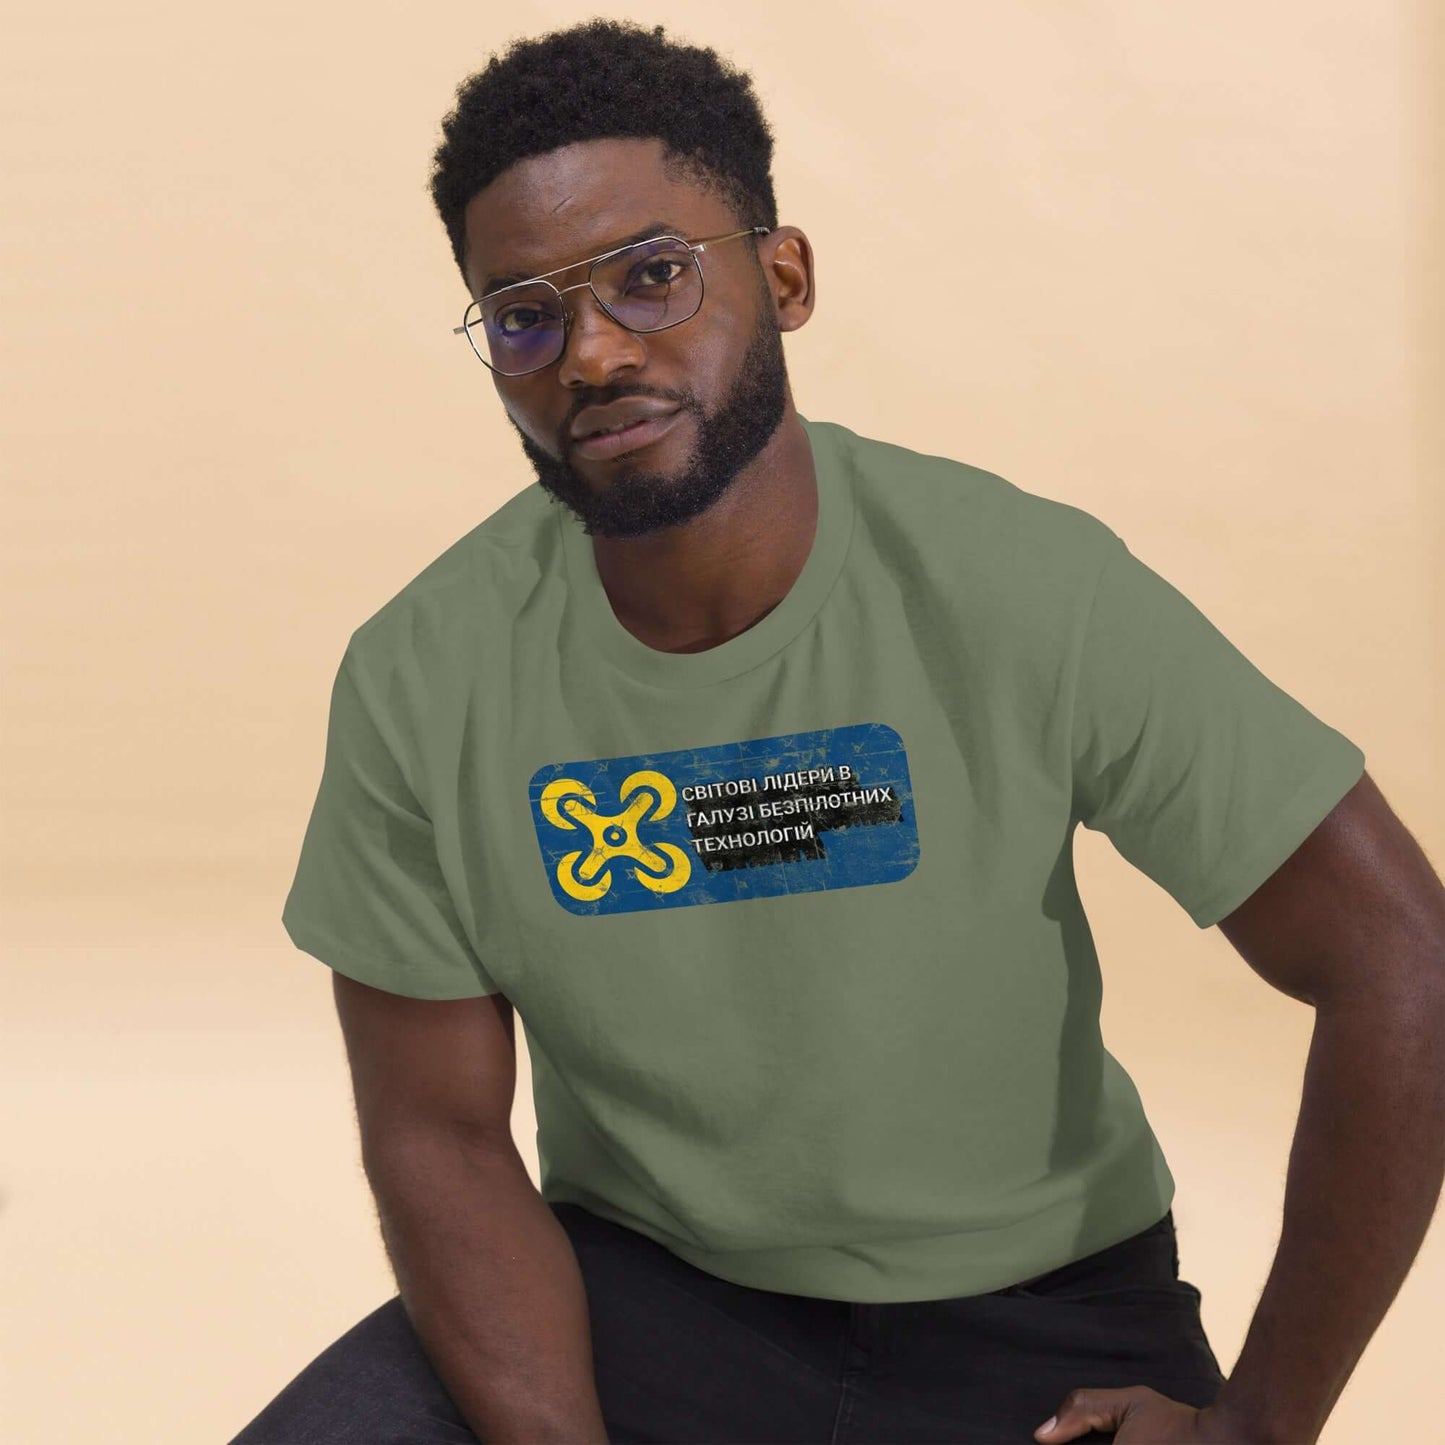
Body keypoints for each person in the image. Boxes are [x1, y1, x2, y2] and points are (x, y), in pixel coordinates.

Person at [230, 19, 1445, 1445]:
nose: (594, 352)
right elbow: (434, 1130)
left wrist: (1259, 1424)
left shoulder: (1020, 584)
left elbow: (1398, 958)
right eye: (524, 316)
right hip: (644, 1302)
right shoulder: (420, 674)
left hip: (1033, 1323)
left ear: (783, 276)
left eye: (652, 275)